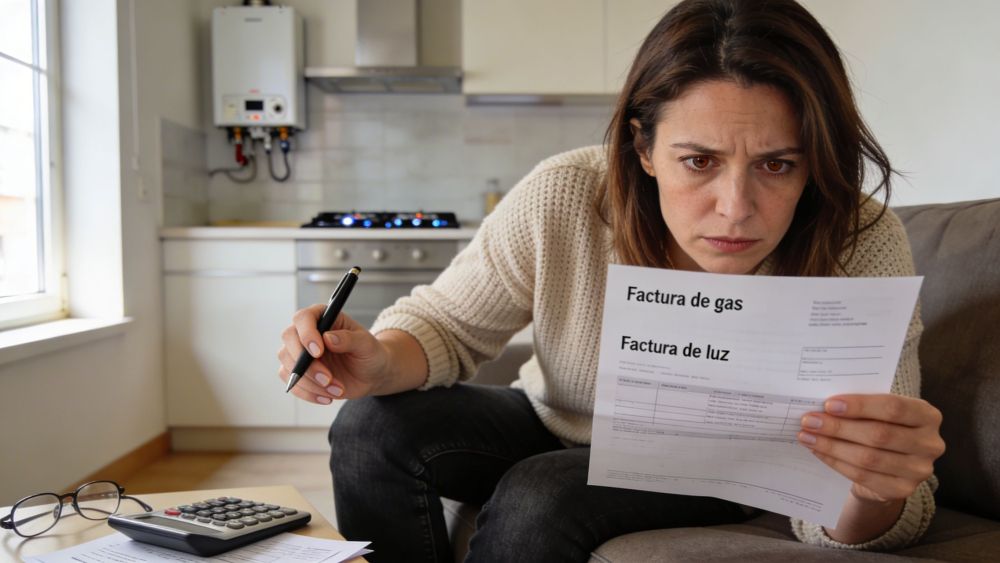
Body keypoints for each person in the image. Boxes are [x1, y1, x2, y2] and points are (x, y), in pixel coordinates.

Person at [277, 0, 945, 560]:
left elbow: (872, 505)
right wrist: (376, 359)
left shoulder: (859, 239)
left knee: (541, 493)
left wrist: (874, 488)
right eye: (699, 161)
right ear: (643, 147)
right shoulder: (569, 192)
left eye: (777, 165)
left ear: (814, 161)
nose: (735, 208)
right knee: (369, 425)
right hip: (555, 421)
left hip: (730, 461)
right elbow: (447, 323)